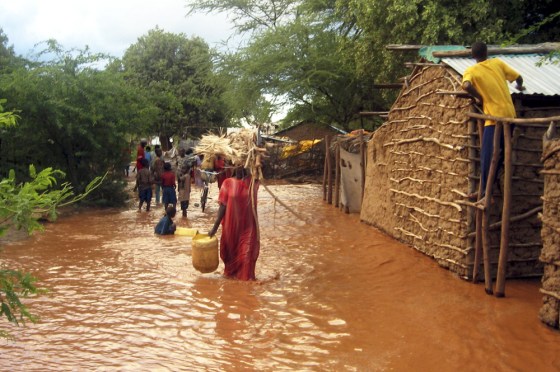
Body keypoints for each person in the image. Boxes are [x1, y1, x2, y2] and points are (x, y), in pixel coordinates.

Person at [462, 41, 525, 203]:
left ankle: (485, 194)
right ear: (487, 51)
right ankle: (484, 192)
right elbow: (519, 77)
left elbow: (466, 85)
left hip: (494, 119)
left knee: (487, 157)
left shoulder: (472, 70)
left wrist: (479, 97)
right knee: (499, 156)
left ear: (472, 55)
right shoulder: (497, 63)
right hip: (510, 116)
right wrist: (519, 87)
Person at [208, 166, 260, 281]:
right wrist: (215, 228)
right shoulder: (228, 183)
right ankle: (232, 292)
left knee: (246, 259)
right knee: (230, 266)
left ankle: (246, 294)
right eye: (239, 165)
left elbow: (261, 168)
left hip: (248, 228)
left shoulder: (253, 182)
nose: (242, 167)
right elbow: (222, 207)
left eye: (244, 164)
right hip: (231, 228)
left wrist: (256, 160)